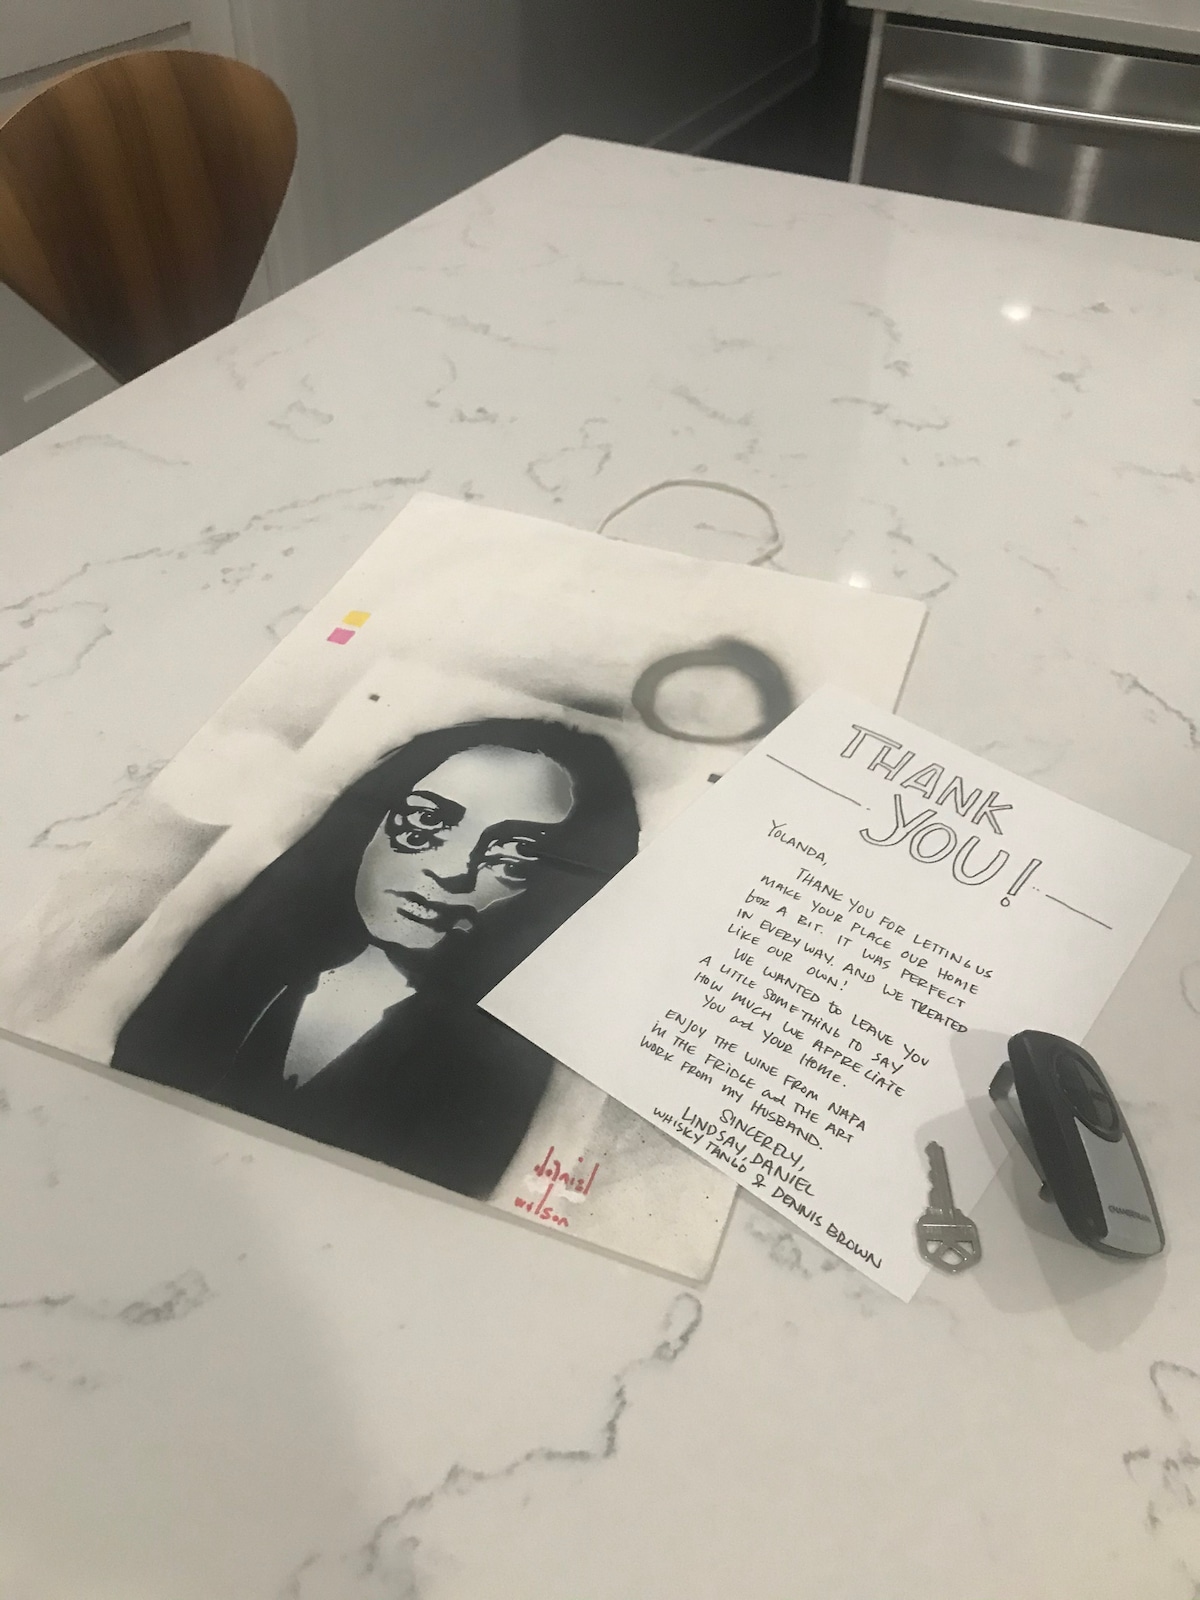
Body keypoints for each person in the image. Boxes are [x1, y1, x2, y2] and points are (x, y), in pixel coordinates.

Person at [112, 718, 639, 1199]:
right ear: (368, 820)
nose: (452, 870)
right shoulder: (236, 960)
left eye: (514, 854)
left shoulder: (498, 1064)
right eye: (426, 821)